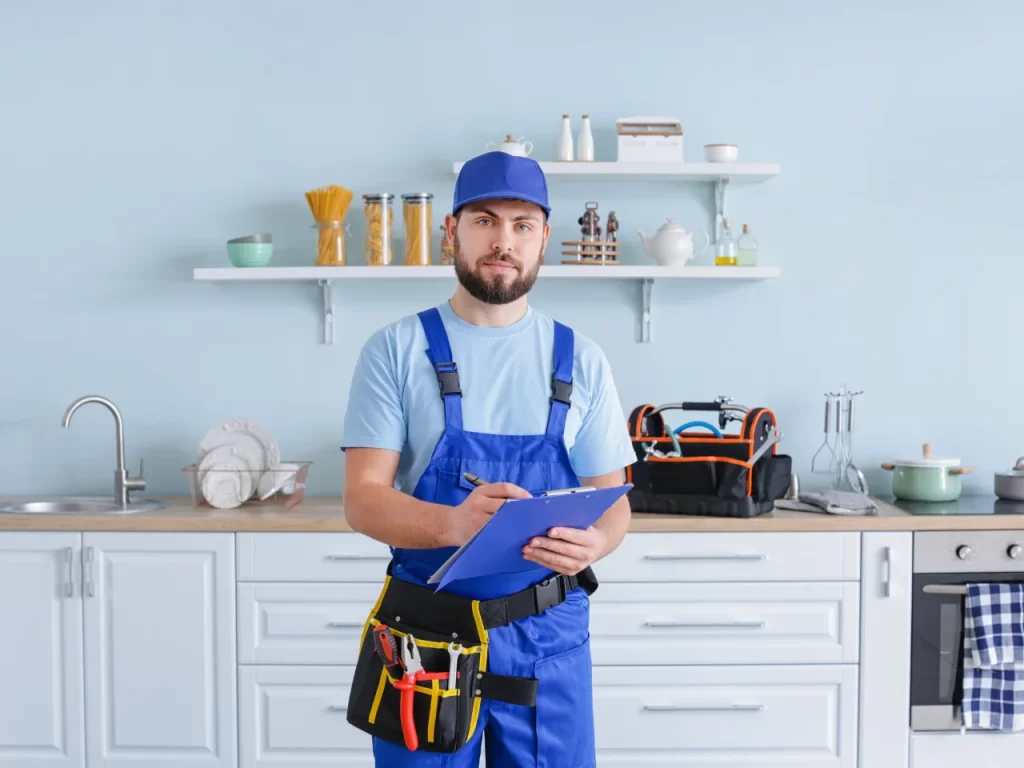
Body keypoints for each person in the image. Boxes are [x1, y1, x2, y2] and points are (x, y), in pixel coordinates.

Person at [340, 150, 637, 767]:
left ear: (544, 239)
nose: (503, 241)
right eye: (484, 220)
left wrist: (597, 545)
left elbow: (615, 506)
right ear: (452, 229)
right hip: (425, 633)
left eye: (522, 225)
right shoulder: (396, 350)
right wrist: (453, 525)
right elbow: (362, 499)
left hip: (547, 636)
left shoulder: (580, 359)